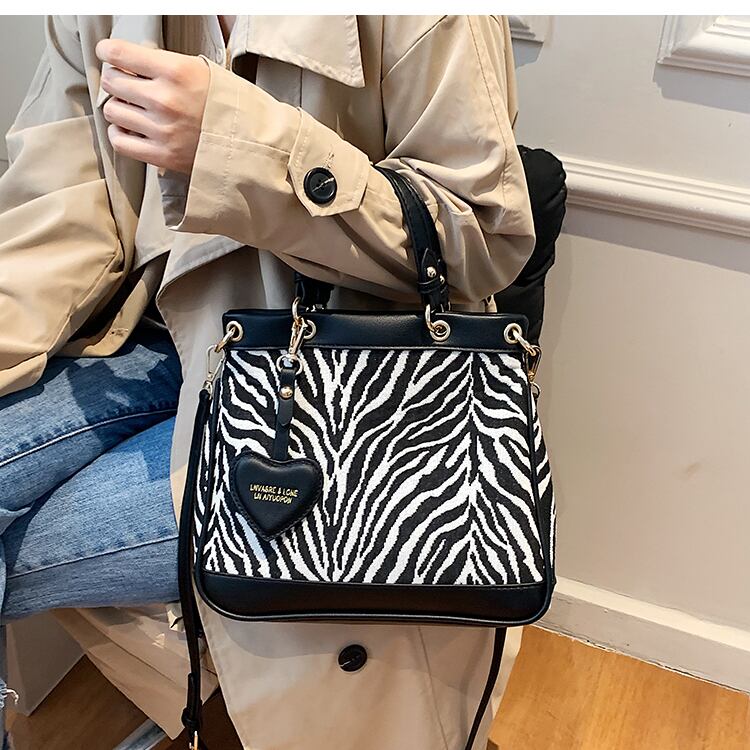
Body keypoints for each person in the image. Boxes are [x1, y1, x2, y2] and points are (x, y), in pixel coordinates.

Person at [0, 15, 535, 749]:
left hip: (348, 390)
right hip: (144, 336)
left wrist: (242, 147)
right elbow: (59, 214)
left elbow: (482, 237)